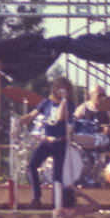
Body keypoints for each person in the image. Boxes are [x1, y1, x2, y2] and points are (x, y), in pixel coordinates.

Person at [19, 77, 74, 208]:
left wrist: (64, 99)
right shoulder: (46, 102)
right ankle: (36, 198)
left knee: (57, 174)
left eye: (63, 88)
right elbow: (32, 115)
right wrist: (19, 121)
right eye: (58, 87)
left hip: (60, 141)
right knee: (32, 165)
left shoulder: (69, 105)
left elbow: (61, 117)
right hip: (47, 140)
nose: (60, 90)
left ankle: (57, 203)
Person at [72, 84, 110, 162]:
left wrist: (109, 129)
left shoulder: (109, 108)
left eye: (104, 95)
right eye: (100, 95)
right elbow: (72, 122)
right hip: (86, 138)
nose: (103, 97)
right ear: (91, 95)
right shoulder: (83, 108)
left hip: (103, 138)